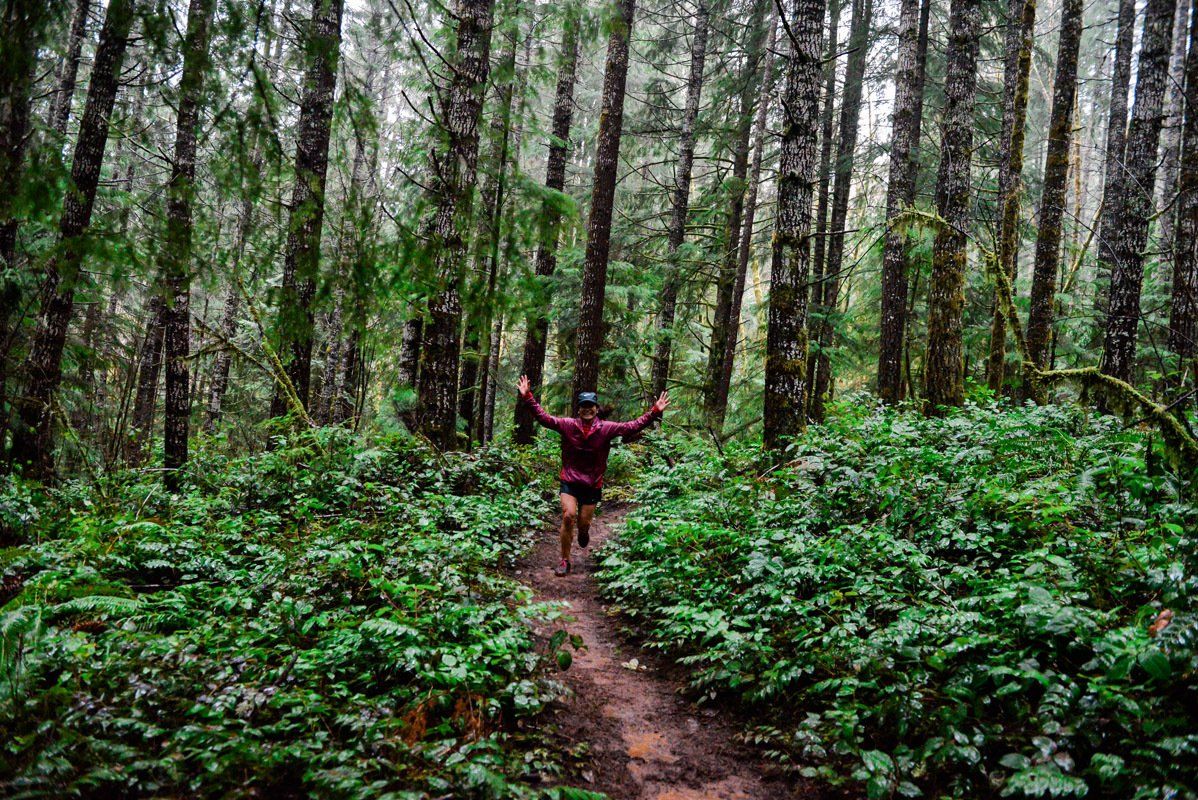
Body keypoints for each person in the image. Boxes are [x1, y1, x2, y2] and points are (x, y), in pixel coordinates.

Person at [516, 375, 669, 576]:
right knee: (568, 516)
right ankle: (564, 560)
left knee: (584, 524)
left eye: (591, 406)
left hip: (592, 484)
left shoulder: (606, 428)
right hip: (570, 480)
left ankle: (584, 531)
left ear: (596, 409)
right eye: (583, 406)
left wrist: (654, 411)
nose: (587, 409)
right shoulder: (568, 425)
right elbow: (545, 418)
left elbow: (632, 426)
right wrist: (528, 397)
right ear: (578, 410)